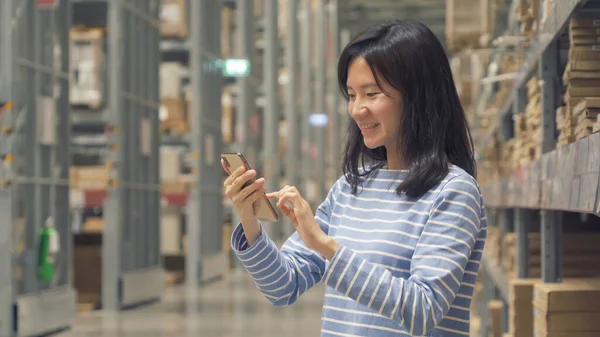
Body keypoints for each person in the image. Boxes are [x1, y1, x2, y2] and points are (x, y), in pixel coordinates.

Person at [222, 19, 487, 337]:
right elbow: (282, 287)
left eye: (372, 94)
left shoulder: (453, 192)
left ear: (419, 97)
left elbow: (422, 310)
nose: (357, 109)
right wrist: (250, 221)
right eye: (351, 95)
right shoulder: (348, 189)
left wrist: (326, 246)